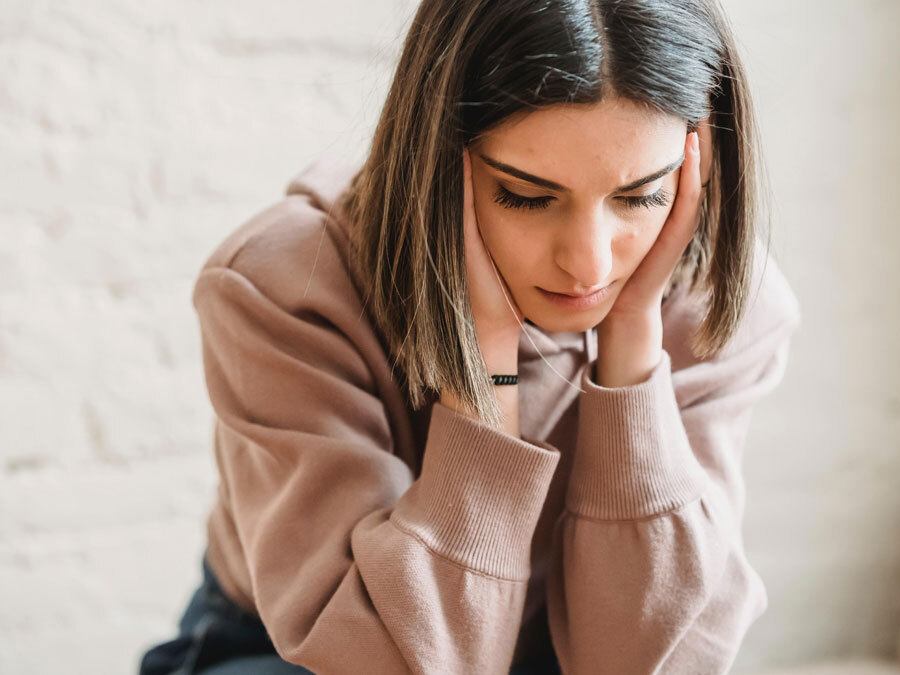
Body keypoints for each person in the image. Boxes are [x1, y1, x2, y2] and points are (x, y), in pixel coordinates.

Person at [138, 0, 803, 673]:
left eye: (639, 195)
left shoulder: (722, 304)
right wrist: (484, 373)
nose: (591, 263)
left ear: (701, 165)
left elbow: (640, 660)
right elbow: (395, 659)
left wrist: (632, 351)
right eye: (526, 195)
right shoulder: (285, 290)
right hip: (298, 651)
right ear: (434, 155)